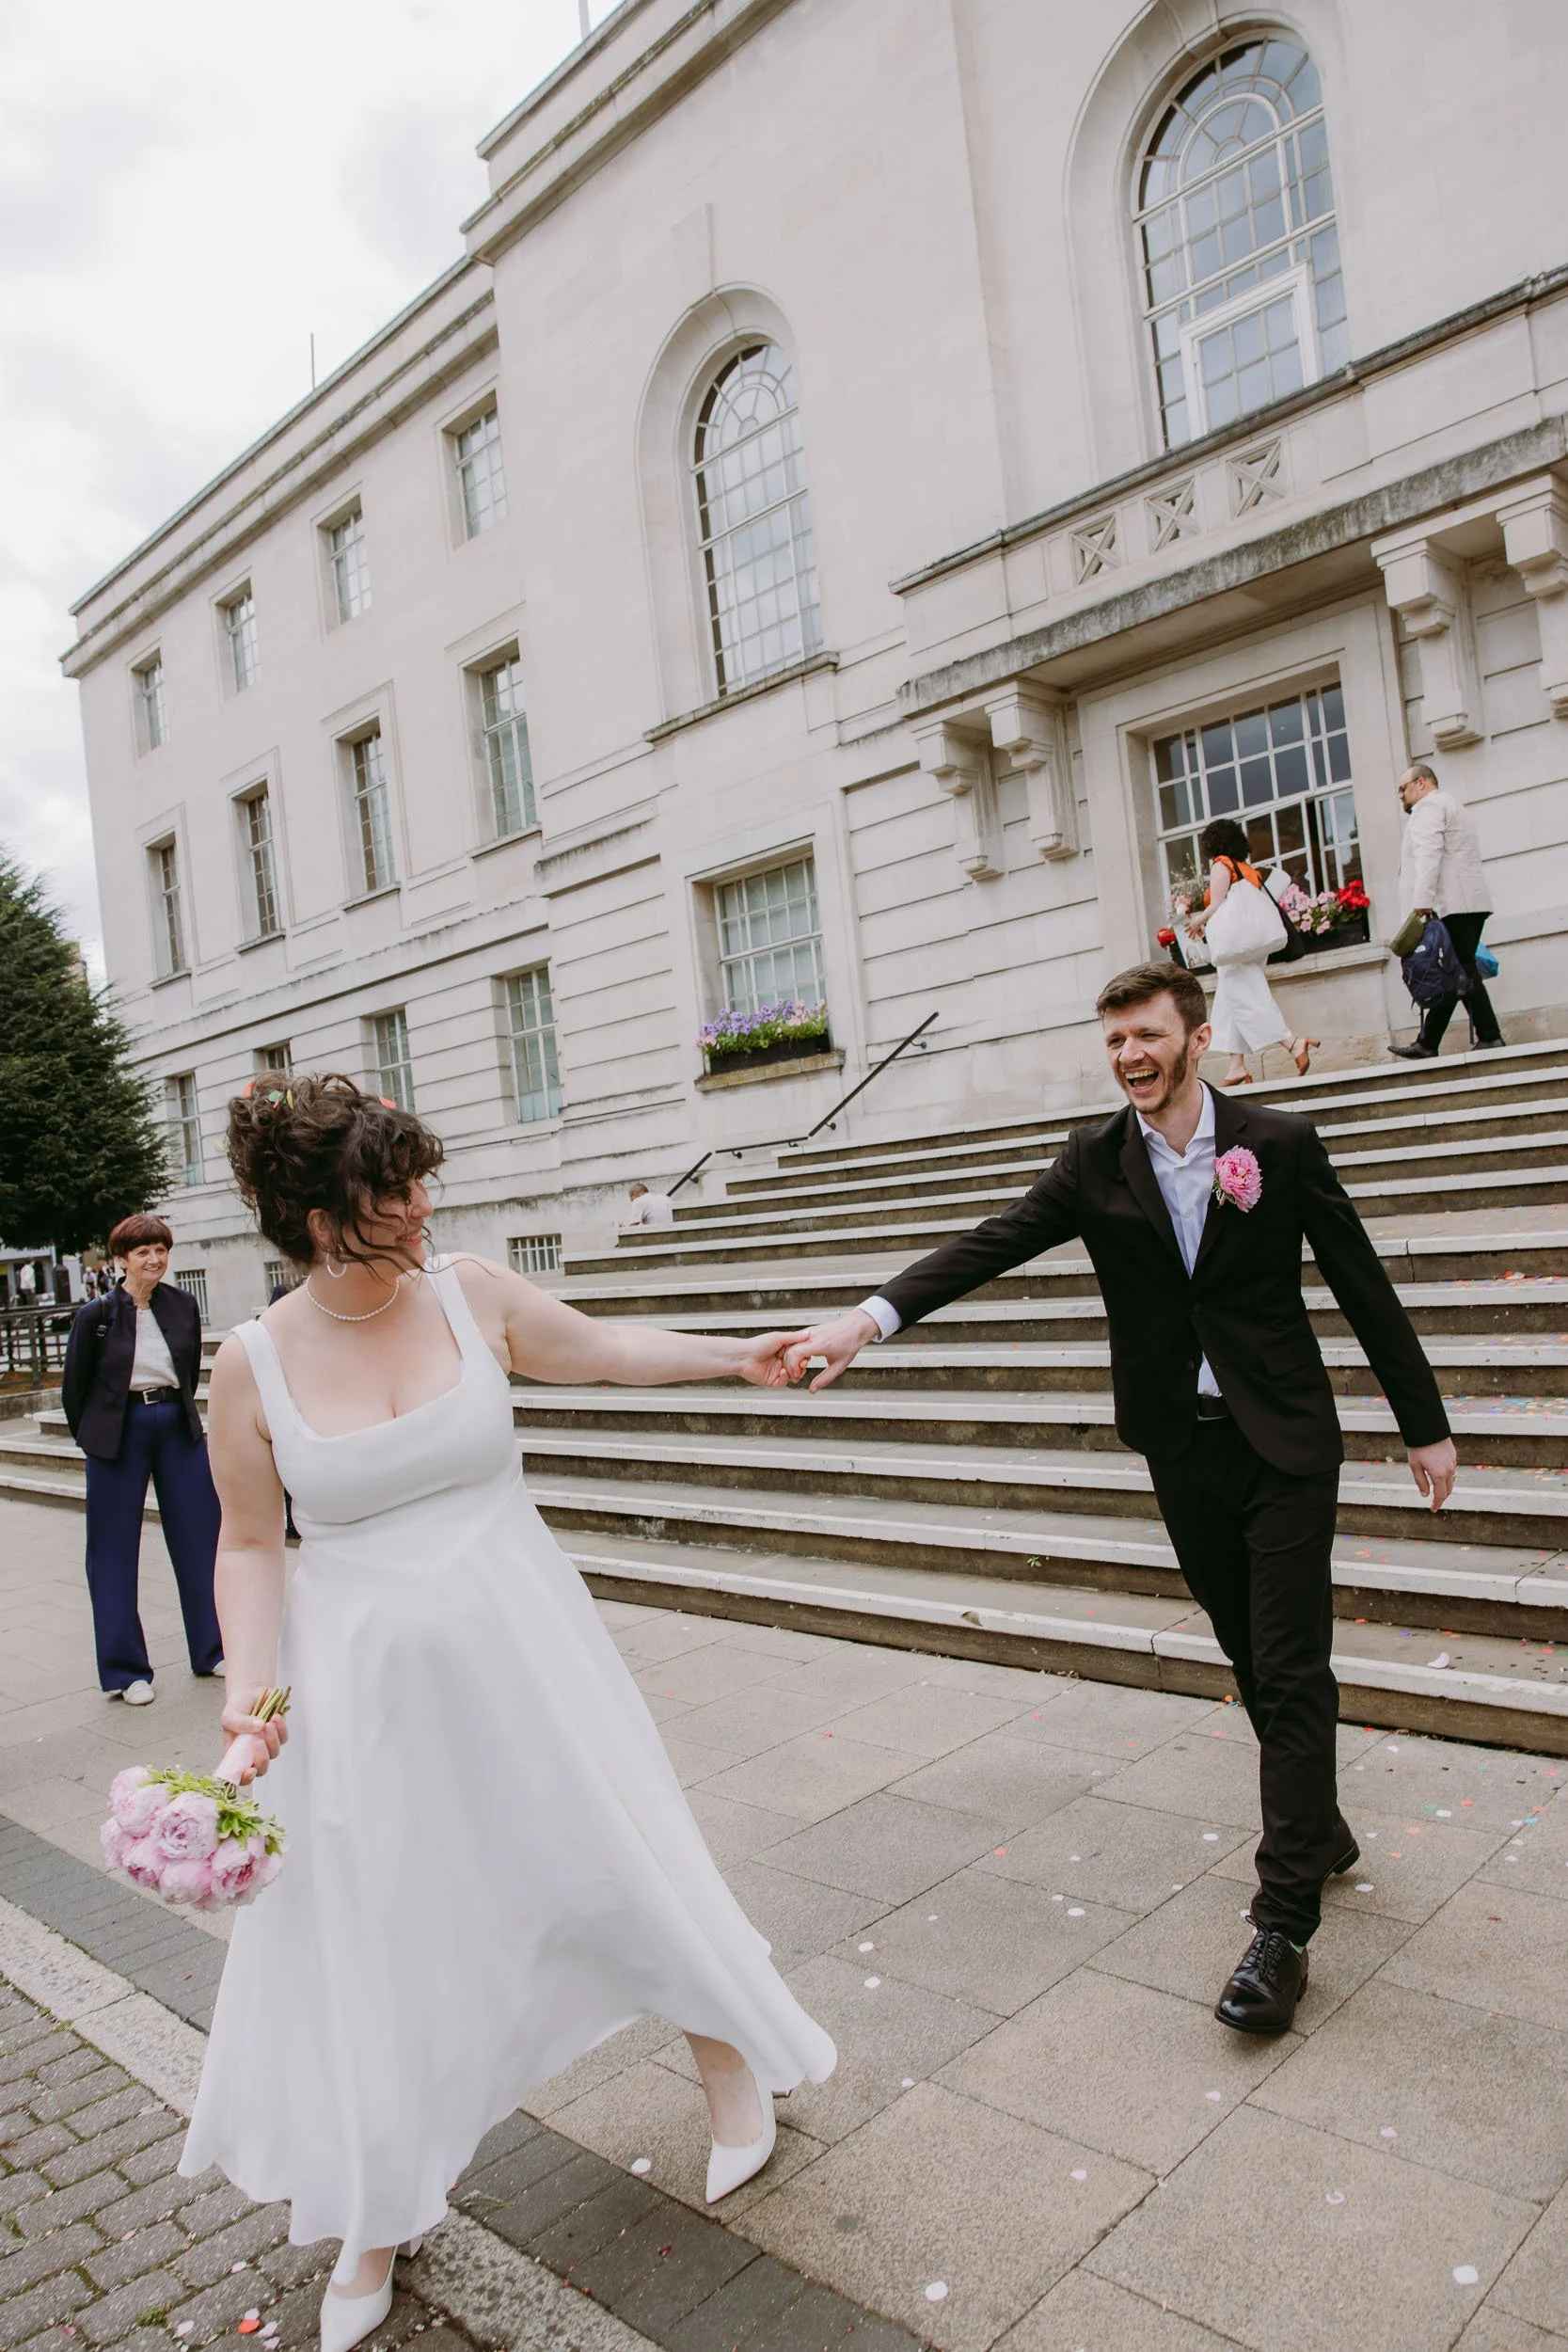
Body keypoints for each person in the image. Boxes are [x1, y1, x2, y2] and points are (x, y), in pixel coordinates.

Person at [181, 1075, 833, 2351]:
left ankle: (726, 2061)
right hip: (368, 1690)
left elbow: (595, 1349)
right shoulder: (249, 1364)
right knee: (389, 1932)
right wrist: (249, 1703)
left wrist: (734, 1354)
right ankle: (379, 2205)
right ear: (321, 1217)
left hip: (525, 1648)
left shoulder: (468, 1291)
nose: (425, 1205)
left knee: (606, 1858)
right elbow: (250, 1545)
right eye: (395, 1190)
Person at [783, 961, 1456, 2037]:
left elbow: (1357, 1276)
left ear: (1194, 1036)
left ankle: (1280, 1925)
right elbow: (989, 1242)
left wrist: (1421, 1421)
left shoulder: (1275, 1145)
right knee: (1247, 1652)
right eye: (1113, 1043)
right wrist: (865, 1321)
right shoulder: (1090, 1161)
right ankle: (1317, 1827)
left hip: (1281, 1440)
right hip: (1177, 1449)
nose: (1129, 1057)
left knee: (1287, 1667)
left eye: (1145, 1036)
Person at [60, 1215, 224, 1705]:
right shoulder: (97, 1315)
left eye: (161, 1249)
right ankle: (126, 1670)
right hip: (117, 1433)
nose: (154, 1259)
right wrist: (92, 1439)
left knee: (201, 1538)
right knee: (111, 1552)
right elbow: (75, 1387)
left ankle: (211, 1649)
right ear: (121, 1260)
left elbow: (189, 1367)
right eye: (142, 1252)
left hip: (176, 1424)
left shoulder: (182, 1305)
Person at [1182, 819, 1316, 1085]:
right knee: (1229, 1002)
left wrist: (1197, 921)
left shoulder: (1221, 864)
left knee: (1247, 998)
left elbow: (1217, 904)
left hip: (1234, 948)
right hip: (1252, 945)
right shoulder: (1247, 869)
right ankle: (1236, 1066)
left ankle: (1292, 1043)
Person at [1389, 759, 1505, 1060]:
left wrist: (1421, 902)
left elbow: (1429, 854)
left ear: (1422, 783)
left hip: (1452, 904)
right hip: (1467, 902)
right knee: (1458, 972)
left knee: (1460, 971)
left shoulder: (1428, 808)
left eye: (1403, 789)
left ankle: (1482, 1038)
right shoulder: (1454, 805)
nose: (1401, 796)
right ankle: (1433, 1042)